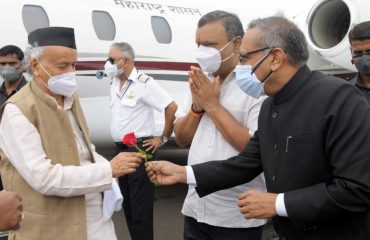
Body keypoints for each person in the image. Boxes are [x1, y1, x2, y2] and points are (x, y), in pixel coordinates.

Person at [147, 16, 370, 240]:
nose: (240, 66)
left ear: (275, 58)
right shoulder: (270, 105)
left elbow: (356, 189)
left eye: (244, 58)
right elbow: (246, 163)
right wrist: (182, 173)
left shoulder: (339, 98)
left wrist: (278, 203)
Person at [0, 27, 144, 240]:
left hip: (95, 223)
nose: (70, 72)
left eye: (73, 65)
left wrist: (113, 165)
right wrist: (109, 170)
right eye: (62, 66)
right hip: (53, 229)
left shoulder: (70, 98)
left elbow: (85, 148)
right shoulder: (17, 110)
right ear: (35, 66)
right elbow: (44, 178)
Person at [174, 10, 266, 240]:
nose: (201, 53)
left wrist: (212, 106)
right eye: (198, 45)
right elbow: (181, 138)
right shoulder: (200, 81)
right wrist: (196, 109)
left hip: (235, 216)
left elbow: (255, 149)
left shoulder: (257, 86)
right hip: (196, 209)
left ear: (236, 44)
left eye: (210, 45)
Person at [105, 41, 177, 240]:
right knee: (127, 204)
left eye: (111, 59)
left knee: (140, 208)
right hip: (121, 149)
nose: (107, 63)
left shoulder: (144, 83)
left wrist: (162, 138)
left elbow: (170, 106)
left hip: (139, 149)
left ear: (125, 61)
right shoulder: (114, 83)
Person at [0, 45, 28, 192]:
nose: (6, 68)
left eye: (12, 64)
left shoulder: (31, 94)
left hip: (21, 164)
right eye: (2, 64)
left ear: (22, 65)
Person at [348, 21, 370, 104]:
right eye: (358, 52)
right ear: (351, 52)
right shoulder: (345, 92)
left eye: (369, 51)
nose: (365, 58)